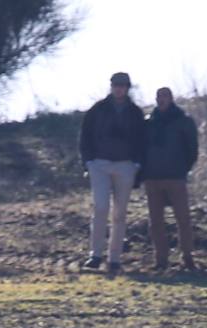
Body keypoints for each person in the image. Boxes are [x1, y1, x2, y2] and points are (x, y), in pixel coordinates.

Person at [78, 72, 147, 275]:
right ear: (111, 86)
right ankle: (96, 255)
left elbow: (142, 140)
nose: (119, 88)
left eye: (123, 85)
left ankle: (114, 258)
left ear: (128, 88)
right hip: (99, 164)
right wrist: (88, 162)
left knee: (120, 213)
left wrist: (136, 164)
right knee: (100, 208)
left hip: (125, 165)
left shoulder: (135, 112)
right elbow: (85, 136)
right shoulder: (97, 110)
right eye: (116, 85)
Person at [142, 87, 199, 270]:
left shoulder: (183, 121)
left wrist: (183, 168)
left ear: (171, 99)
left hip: (175, 177)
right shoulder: (149, 122)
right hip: (152, 178)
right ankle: (161, 259)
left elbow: (192, 149)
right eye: (159, 97)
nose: (162, 100)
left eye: (165, 97)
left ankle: (188, 257)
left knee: (183, 219)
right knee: (156, 222)